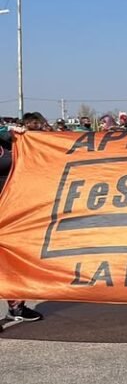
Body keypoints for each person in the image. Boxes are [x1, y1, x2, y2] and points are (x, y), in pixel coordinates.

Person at [0, 123, 43, 327]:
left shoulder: (6, 141)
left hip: (11, 212)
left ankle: (16, 307)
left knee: (16, 260)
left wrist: (21, 136)